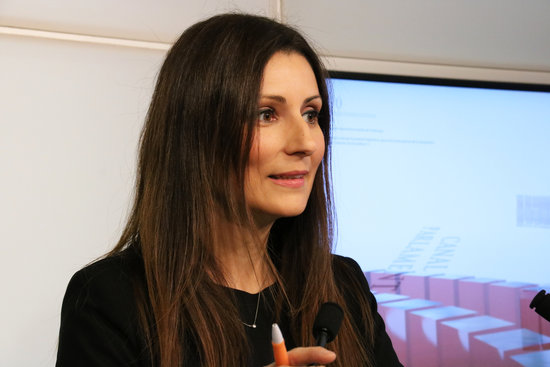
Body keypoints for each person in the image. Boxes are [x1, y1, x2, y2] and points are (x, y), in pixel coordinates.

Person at [55, 13, 403, 367]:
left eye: (311, 114)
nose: (306, 143)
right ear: (197, 133)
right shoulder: (109, 299)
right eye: (266, 114)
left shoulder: (343, 286)